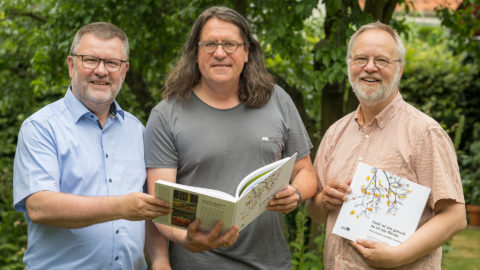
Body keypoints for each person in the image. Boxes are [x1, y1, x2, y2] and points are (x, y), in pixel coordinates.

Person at [144, 6, 318, 270]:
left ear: (246, 52)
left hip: (270, 264)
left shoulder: (277, 99)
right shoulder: (166, 115)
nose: (220, 53)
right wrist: (189, 239)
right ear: (196, 52)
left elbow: (306, 172)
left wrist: (295, 193)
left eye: (230, 44)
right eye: (210, 44)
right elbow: (161, 203)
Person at [306, 21, 466, 269]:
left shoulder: (424, 133)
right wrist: (323, 200)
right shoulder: (336, 133)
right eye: (360, 59)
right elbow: (314, 211)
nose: (369, 68)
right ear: (350, 65)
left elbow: (455, 217)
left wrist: (399, 255)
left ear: (399, 70)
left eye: (382, 60)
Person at [13, 22, 172, 269]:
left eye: (112, 63)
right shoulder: (41, 128)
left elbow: (150, 209)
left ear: (125, 70)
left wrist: (160, 259)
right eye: (90, 60)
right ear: (71, 65)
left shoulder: (137, 130)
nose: (101, 71)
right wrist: (121, 207)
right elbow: (40, 206)